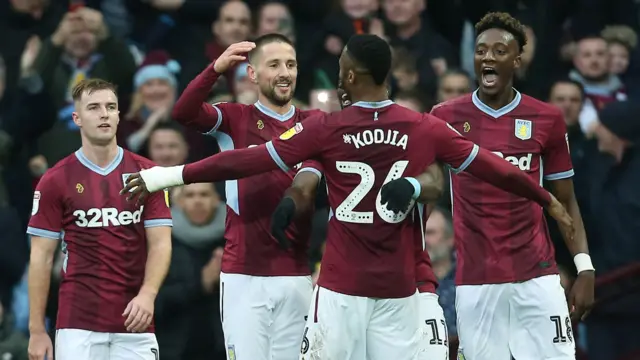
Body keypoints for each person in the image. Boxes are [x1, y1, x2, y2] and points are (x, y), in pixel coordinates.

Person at [122, 34, 573, 359]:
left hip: (338, 287)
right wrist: (543, 197)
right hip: (394, 284)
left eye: (339, 70)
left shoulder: (323, 126)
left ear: (352, 75)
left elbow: (247, 162)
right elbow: (489, 165)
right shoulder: (423, 126)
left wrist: (169, 176)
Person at [383, 12, 594, 360]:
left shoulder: (547, 118)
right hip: (475, 281)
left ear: (517, 58)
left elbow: (566, 201)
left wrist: (584, 267)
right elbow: (434, 183)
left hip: (537, 276)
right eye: (482, 50)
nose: (489, 57)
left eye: (499, 50)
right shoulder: (445, 117)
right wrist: (414, 187)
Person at [170, 34, 324, 360]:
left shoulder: (314, 124)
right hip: (244, 275)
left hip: (296, 274)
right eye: (274, 64)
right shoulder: (235, 118)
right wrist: (216, 69)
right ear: (252, 75)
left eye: (291, 64)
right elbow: (183, 112)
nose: (285, 72)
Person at [26, 79, 173, 360]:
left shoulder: (148, 174)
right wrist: (36, 330)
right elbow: (41, 258)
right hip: (77, 323)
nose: (104, 113)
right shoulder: (55, 180)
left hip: (136, 321)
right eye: (93, 107)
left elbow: (161, 244)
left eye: (111, 107)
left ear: (119, 115)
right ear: (77, 118)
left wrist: (148, 294)